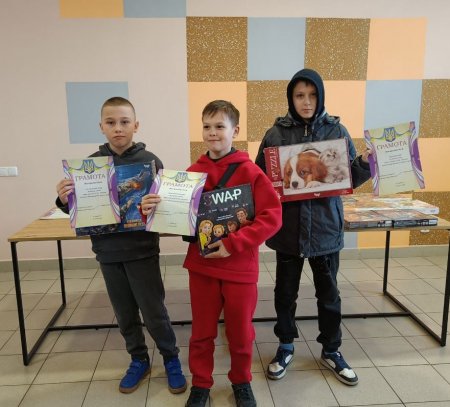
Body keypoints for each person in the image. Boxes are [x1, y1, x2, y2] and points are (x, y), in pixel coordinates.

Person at [141, 100, 282, 407]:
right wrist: (150, 209)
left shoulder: (251, 172)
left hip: (240, 269)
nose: (212, 132)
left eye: (220, 126)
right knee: (202, 332)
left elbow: (272, 217)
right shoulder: (192, 174)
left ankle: (241, 381)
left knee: (241, 333)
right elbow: (175, 218)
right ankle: (201, 384)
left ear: (235, 131)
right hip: (203, 267)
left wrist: (234, 243)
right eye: (207, 126)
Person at [55, 97, 187, 395]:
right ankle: (138, 359)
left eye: (124, 122)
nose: (118, 128)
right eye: (111, 122)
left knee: (154, 312)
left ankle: (170, 358)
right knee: (125, 313)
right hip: (108, 253)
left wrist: (158, 204)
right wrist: (64, 199)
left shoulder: (150, 161)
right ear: (101, 126)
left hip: (142, 251)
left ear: (135, 125)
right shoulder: (89, 165)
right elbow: (79, 208)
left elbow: (165, 207)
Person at [255, 69, 371, 386]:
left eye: (312, 95)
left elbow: (349, 177)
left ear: (320, 97)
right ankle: (285, 346)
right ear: (290, 98)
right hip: (288, 232)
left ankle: (331, 350)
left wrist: (366, 163)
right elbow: (259, 179)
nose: (306, 102)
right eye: (299, 95)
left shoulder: (336, 131)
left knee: (329, 294)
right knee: (285, 293)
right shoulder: (275, 134)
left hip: (325, 231)